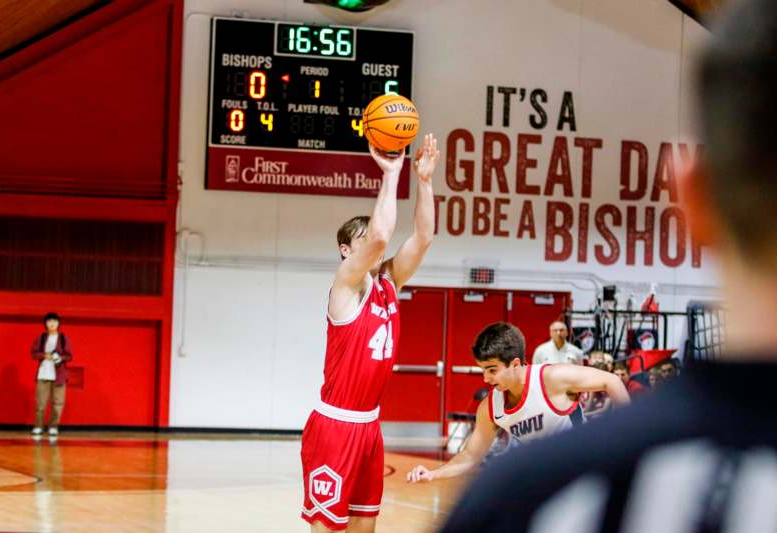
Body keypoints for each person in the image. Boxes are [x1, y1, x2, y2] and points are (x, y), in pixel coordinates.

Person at [441, 2, 777, 530]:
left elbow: (606, 388)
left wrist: (618, 434)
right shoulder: (505, 424)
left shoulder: (529, 493)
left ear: (689, 196)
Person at [300, 135, 439, 532]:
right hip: (334, 427)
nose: (377, 246)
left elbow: (424, 238)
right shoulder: (345, 284)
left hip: (370, 427)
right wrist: (392, 173)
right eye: (363, 242)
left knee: (366, 528)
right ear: (346, 251)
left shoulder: (390, 282)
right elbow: (380, 236)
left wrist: (425, 181)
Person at [406, 322, 629, 484]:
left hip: (583, 470)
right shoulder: (491, 407)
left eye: (492, 370)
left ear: (514, 364)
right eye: (483, 370)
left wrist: (630, 436)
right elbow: (471, 455)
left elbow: (612, 381)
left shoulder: (552, 378)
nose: (486, 379)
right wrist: (434, 473)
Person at [30, 312, 73, 438]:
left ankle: (53, 426)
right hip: (43, 374)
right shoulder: (41, 338)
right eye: (49, 321)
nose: (52, 323)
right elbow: (34, 353)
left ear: (58, 323)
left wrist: (59, 357)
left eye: (54, 321)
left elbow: (69, 356)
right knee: (41, 403)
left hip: (59, 375)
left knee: (58, 403)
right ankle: (38, 426)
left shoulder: (64, 338)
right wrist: (44, 355)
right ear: (45, 323)